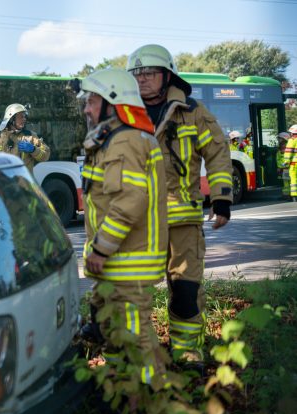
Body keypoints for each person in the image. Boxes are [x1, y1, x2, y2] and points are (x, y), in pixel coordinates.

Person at [127, 44, 233, 367]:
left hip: (183, 221)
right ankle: (138, 354)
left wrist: (221, 198)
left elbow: (217, 152)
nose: (142, 79)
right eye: (137, 73)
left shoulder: (192, 111)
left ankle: (187, 354)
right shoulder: (125, 114)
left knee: (186, 290)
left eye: (149, 73)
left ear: (167, 75)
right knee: (134, 291)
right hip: (139, 223)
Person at [73, 68, 168, 386]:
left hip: (128, 261)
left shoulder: (123, 142)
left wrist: (101, 248)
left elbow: (129, 202)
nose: (86, 108)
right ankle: (117, 389)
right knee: (113, 332)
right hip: (120, 261)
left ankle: (149, 401)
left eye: (91, 101)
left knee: (134, 336)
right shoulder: (116, 139)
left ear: (111, 102)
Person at [0, 103, 50, 172]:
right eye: (21, 117)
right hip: (2, 181)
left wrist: (33, 149)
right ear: (11, 119)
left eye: (24, 117)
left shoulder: (31, 136)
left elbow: (45, 156)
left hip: (23, 181)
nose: (24, 119)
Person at [277, 131, 290, 199]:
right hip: (284, 168)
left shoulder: (287, 147)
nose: (279, 140)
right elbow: (278, 159)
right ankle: (287, 194)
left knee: (287, 182)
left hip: (286, 168)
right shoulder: (281, 147)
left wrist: (280, 167)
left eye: (280, 139)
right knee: (286, 181)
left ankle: (287, 195)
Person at [286, 125, 297, 202]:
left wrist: (285, 162)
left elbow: (288, 152)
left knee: (293, 179)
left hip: (294, 163)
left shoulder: (292, 140)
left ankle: (294, 196)